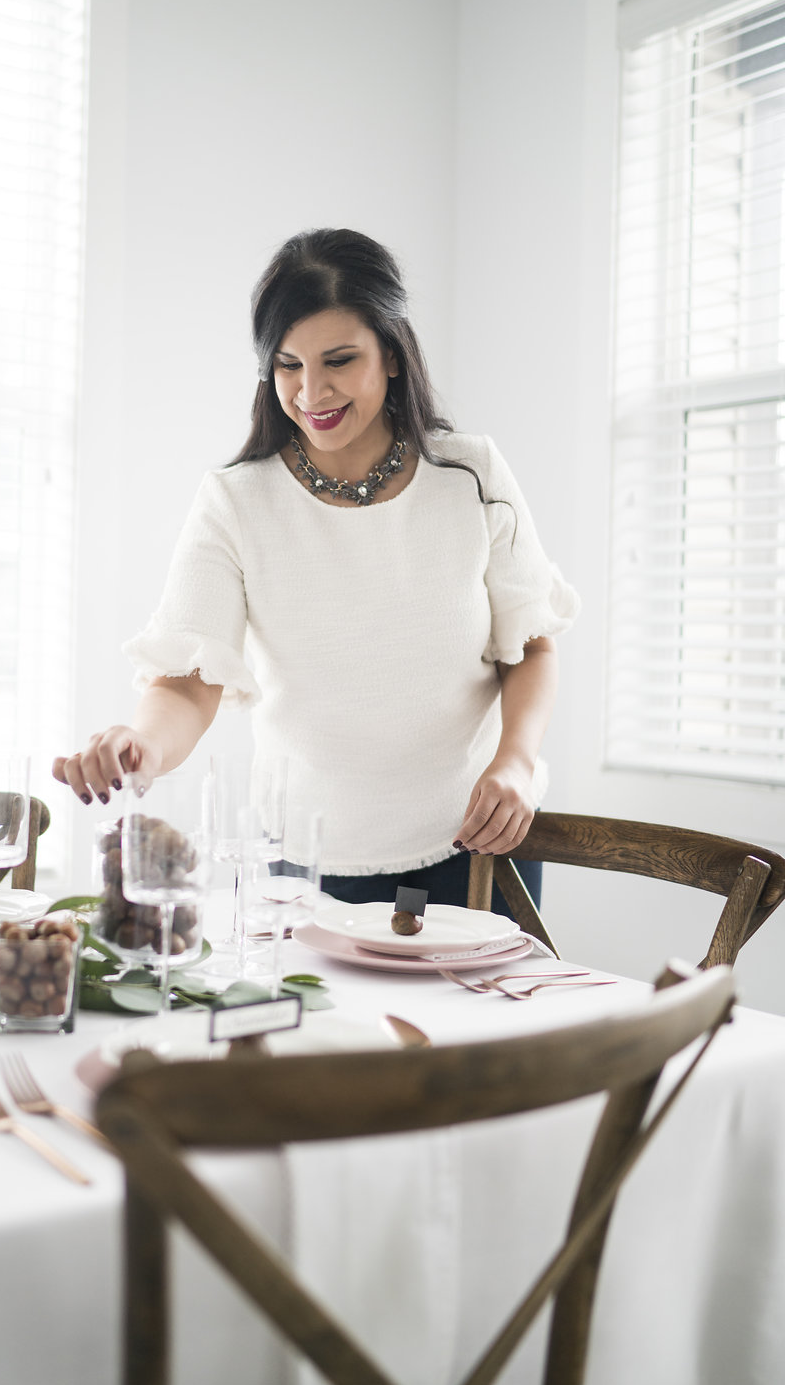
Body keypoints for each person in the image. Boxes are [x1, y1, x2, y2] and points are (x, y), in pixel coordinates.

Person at [53, 228, 579, 916]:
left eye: (338, 360)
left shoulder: (471, 476)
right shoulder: (236, 501)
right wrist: (140, 745)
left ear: (391, 355)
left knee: (480, 1027)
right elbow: (187, 680)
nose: (311, 391)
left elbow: (532, 645)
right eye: (287, 365)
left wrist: (514, 761)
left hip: (479, 845)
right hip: (302, 862)